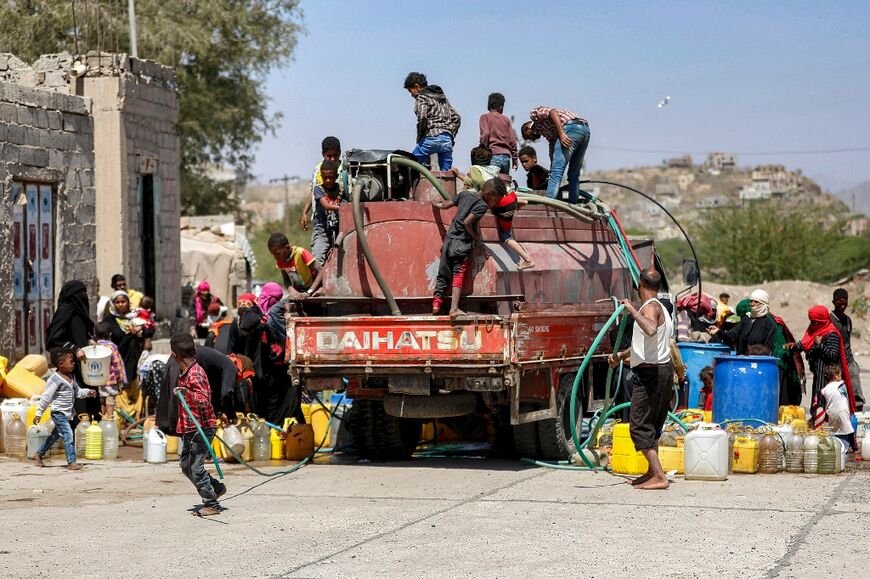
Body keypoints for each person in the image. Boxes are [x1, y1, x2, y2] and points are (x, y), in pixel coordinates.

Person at [608, 269, 674, 490]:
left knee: (637, 425)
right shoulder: (662, 306)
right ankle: (651, 472)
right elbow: (647, 344)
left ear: (639, 284)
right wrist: (621, 356)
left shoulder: (651, 307)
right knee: (652, 425)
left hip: (651, 376)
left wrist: (631, 310)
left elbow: (650, 329)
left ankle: (659, 476)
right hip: (661, 371)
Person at [170, 333, 226, 517]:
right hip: (189, 427)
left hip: (202, 427)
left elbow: (204, 400)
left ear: (173, 355)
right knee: (186, 464)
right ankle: (215, 488)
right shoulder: (184, 373)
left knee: (195, 466)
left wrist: (187, 394)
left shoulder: (196, 373)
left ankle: (212, 504)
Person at [431, 179, 494, 317]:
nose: (494, 203)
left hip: (449, 240)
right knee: (458, 274)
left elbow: (447, 204)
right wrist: (476, 237)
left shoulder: (464, 194)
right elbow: (467, 222)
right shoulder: (482, 205)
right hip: (462, 243)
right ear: (490, 194)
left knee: (443, 273)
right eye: (496, 199)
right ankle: (454, 309)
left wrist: (436, 204)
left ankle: (436, 303)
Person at [789, 304, 856, 429]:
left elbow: (833, 355)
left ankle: (823, 432)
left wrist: (820, 345)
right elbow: (806, 344)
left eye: (815, 322)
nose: (812, 325)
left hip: (827, 378)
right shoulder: (815, 331)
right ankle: (817, 427)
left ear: (822, 321)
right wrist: (794, 347)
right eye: (811, 322)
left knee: (825, 405)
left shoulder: (831, 334)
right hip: (818, 375)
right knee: (816, 403)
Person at [33, 347, 97, 470]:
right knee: (68, 433)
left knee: (56, 435)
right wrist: (39, 413)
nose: (73, 364)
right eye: (71, 362)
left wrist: (88, 392)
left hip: (68, 413)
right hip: (58, 412)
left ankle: (39, 453)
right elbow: (46, 397)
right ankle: (71, 461)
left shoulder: (72, 378)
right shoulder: (55, 379)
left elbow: (77, 392)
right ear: (61, 364)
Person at [45, 280, 98, 417]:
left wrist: (89, 340)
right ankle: (77, 429)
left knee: (90, 394)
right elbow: (54, 338)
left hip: (84, 363)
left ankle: (91, 426)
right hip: (70, 364)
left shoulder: (79, 312)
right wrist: (74, 349)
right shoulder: (65, 311)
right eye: (81, 293)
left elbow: (79, 332)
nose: (84, 296)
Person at [521, 106, 590, 204]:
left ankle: (549, 205)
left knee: (556, 173)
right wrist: (552, 163)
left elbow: (552, 112)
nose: (533, 140)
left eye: (529, 137)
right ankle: (573, 205)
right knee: (573, 174)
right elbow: (553, 145)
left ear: (527, 129)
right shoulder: (547, 132)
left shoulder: (534, 115)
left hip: (570, 127)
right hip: (584, 129)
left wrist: (561, 133)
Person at [405, 72, 461, 171]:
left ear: (417, 87)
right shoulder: (442, 99)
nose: (411, 95)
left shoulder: (422, 98)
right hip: (447, 140)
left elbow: (422, 118)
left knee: (412, 165)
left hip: (431, 139)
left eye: (410, 91)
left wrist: (420, 136)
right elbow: (456, 117)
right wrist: (450, 134)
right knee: (446, 173)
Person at [104, 290, 153, 385]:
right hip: (119, 359)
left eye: (123, 302)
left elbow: (150, 328)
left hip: (137, 358)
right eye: (117, 302)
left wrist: (141, 328)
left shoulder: (137, 316)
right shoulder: (109, 320)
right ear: (113, 304)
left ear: (128, 302)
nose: (121, 305)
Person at [489, 180, 535, 270]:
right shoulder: (504, 188)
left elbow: (491, 207)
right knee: (512, 204)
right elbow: (509, 191)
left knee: (506, 237)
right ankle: (519, 204)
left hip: (506, 214)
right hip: (512, 200)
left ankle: (528, 260)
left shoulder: (498, 202)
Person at [831, 288, 864, 411]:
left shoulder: (848, 320)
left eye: (845, 303)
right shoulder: (830, 320)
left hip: (848, 358)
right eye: (840, 304)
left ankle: (858, 410)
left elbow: (847, 342)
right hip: (835, 360)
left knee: (855, 379)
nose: (843, 306)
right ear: (834, 302)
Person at [300, 136, 342, 232]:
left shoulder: (344, 169)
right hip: (321, 220)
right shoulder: (318, 170)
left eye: (335, 155)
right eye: (329, 156)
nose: (332, 159)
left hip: (341, 218)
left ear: (339, 153)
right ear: (323, 154)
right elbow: (313, 191)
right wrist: (304, 212)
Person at [820, 364, 860, 456]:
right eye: (840, 375)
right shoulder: (841, 383)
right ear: (836, 376)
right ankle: (854, 448)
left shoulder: (824, 389)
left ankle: (835, 445)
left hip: (831, 413)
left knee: (834, 430)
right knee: (849, 430)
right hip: (842, 412)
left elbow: (821, 399)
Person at [311, 159, 342, 266]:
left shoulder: (341, 188)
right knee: (317, 259)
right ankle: (317, 282)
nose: (328, 180)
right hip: (322, 230)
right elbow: (326, 205)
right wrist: (343, 208)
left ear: (336, 176)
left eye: (331, 177)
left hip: (338, 229)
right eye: (325, 178)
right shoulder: (318, 189)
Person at [94, 322, 126, 420]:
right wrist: (120, 380)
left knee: (101, 401)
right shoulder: (111, 347)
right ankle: (110, 420)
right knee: (110, 399)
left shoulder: (94, 347)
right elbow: (117, 365)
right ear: (110, 334)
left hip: (97, 380)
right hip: (110, 381)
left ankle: (101, 421)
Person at [479, 92, 517, 175]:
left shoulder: (484, 118)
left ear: (488, 105)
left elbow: (485, 134)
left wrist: (482, 150)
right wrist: (515, 159)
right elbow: (513, 141)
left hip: (493, 156)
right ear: (501, 107)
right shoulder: (506, 120)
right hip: (506, 158)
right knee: (504, 185)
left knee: (492, 185)